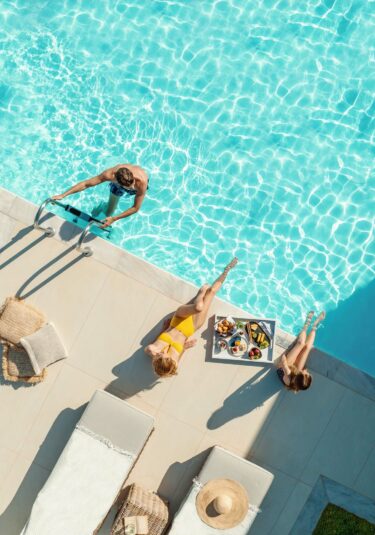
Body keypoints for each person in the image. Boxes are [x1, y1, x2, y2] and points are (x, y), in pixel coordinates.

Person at [145, 258, 238, 378]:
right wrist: (185, 347)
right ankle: (227, 270)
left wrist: (163, 330)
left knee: (198, 307)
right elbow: (180, 353)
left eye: (161, 354)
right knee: (211, 291)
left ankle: (200, 294)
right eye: (165, 354)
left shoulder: (152, 349)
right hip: (192, 327)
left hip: (177, 320)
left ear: (156, 361)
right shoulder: (174, 363)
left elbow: (150, 347)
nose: (163, 351)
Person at [51, 163, 148, 228]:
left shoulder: (141, 182)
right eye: (128, 187)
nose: (131, 187)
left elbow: (135, 208)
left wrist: (114, 219)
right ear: (115, 180)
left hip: (134, 183)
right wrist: (63, 195)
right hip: (118, 186)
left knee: (112, 214)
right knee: (109, 212)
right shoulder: (109, 175)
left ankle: (105, 207)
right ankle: (103, 206)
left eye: (132, 185)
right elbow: (86, 184)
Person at [276, 310, 325, 392]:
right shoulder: (300, 378)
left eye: (305, 372)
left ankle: (306, 325)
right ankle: (315, 324)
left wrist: (288, 353)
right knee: (307, 347)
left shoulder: (288, 375)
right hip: (295, 372)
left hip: (284, 367)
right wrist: (300, 369)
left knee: (300, 344)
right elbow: (302, 374)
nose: (306, 370)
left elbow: (283, 361)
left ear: (298, 376)